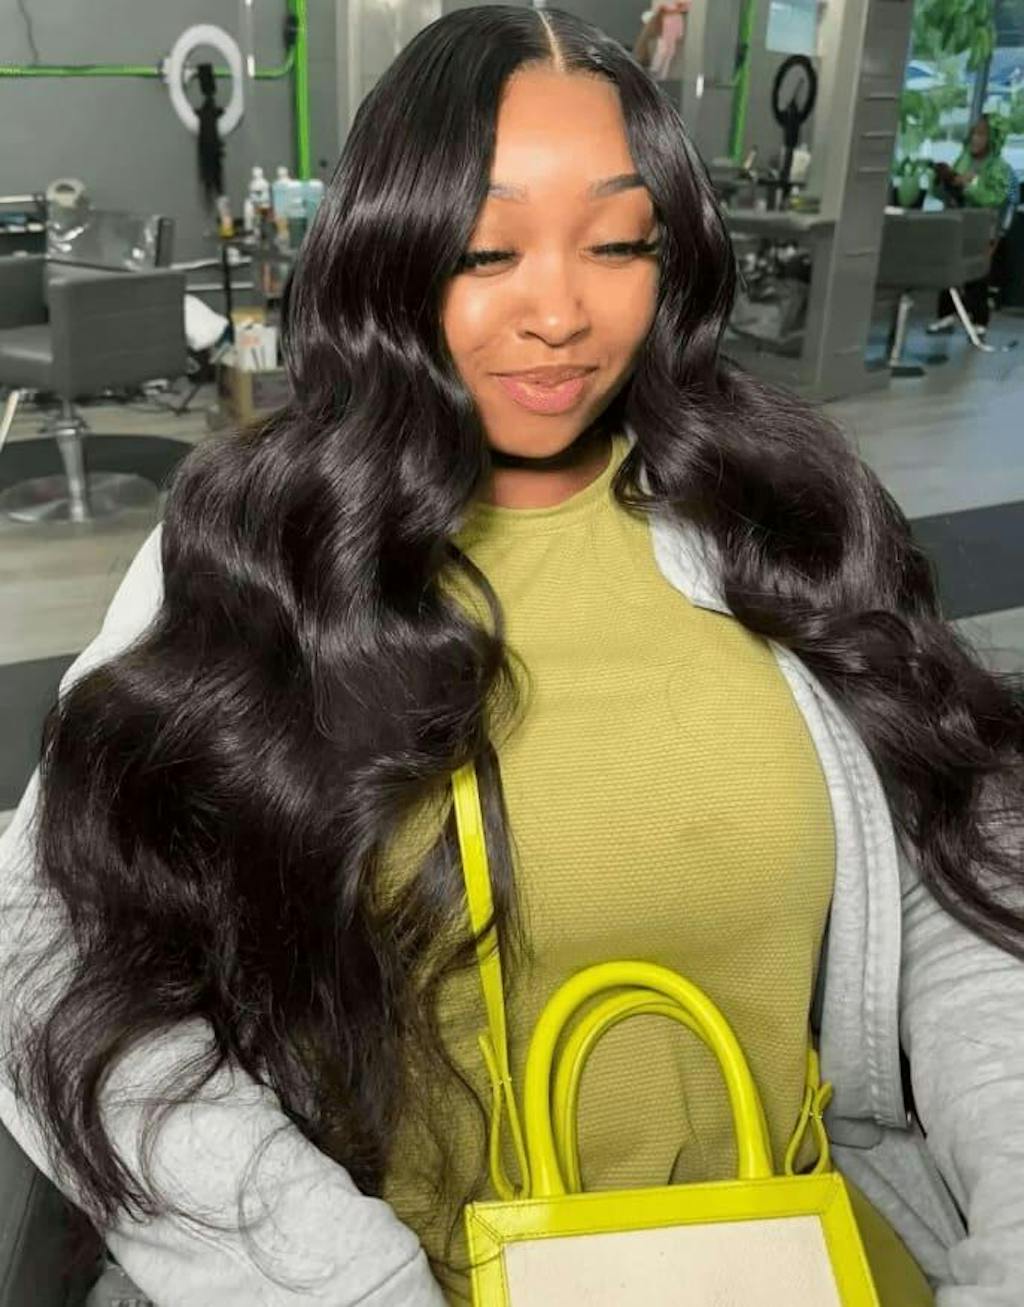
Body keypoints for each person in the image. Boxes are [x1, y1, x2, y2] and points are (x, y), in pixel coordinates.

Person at [1, 6, 1022, 1305]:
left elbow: (961, 871)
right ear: (391, 253)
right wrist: (348, 1281)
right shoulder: (256, 552)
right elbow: (44, 946)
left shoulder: (782, 518)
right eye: (489, 248)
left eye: (616, 241)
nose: (559, 312)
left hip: (790, 1251)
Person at [928, 113, 1016, 335]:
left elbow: (995, 198)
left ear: (992, 139)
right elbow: (944, 193)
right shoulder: (963, 159)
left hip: (982, 229)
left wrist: (970, 184)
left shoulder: (1000, 168)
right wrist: (942, 180)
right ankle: (946, 315)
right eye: (974, 133)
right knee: (948, 269)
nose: (975, 139)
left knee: (978, 275)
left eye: (982, 134)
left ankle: (979, 321)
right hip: (957, 224)